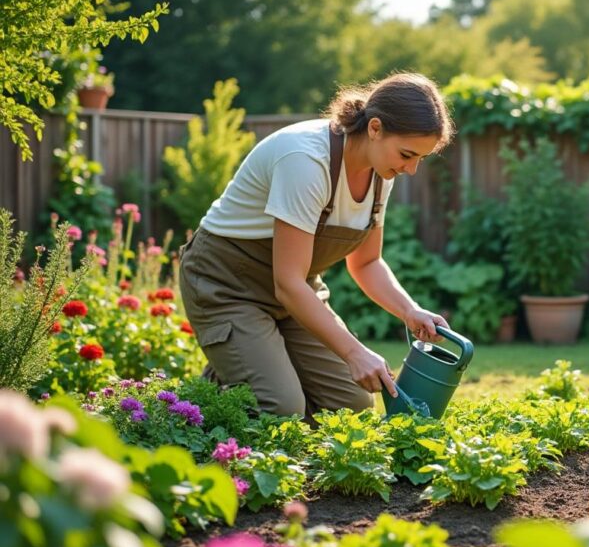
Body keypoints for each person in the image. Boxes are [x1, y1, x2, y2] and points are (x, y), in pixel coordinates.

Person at [178, 72, 454, 418]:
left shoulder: (382, 172)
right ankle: (206, 396)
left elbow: (366, 263)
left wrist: (409, 310)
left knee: (350, 406)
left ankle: (243, 365)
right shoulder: (305, 159)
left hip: (292, 293)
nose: (411, 169)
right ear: (374, 128)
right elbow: (288, 283)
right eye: (407, 155)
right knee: (280, 406)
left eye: (420, 159)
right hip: (226, 285)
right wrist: (354, 352)